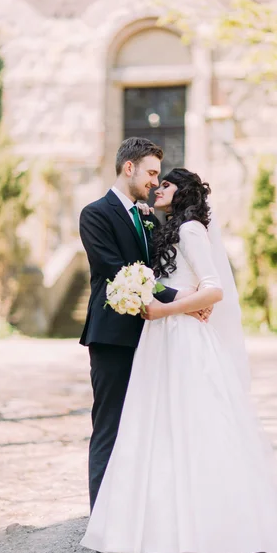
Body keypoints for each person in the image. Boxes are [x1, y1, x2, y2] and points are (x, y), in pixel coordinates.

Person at [81, 168, 277, 553]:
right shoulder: (166, 227)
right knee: (158, 429)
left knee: (194, 426)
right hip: (161, 340)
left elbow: (214, 289)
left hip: (181, 338)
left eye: (165, 183)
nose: (157, 187)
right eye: (155, 178)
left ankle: (214, 527)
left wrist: (169, 307)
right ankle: (152, 527)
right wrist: (169, 304)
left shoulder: (189, 230)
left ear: (182, 191)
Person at [79, 139, 207, 520]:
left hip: (158, 338)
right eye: (151, 173)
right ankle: (104, 523)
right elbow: (116, 270)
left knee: (151, 426)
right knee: (111, 427)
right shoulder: (95, 214)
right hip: (113, 337)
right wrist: (182, 296)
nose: (155, 181)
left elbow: (163, 264)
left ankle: (143, 518)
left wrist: (184, 303)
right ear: (129, 168)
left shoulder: (151, 218)